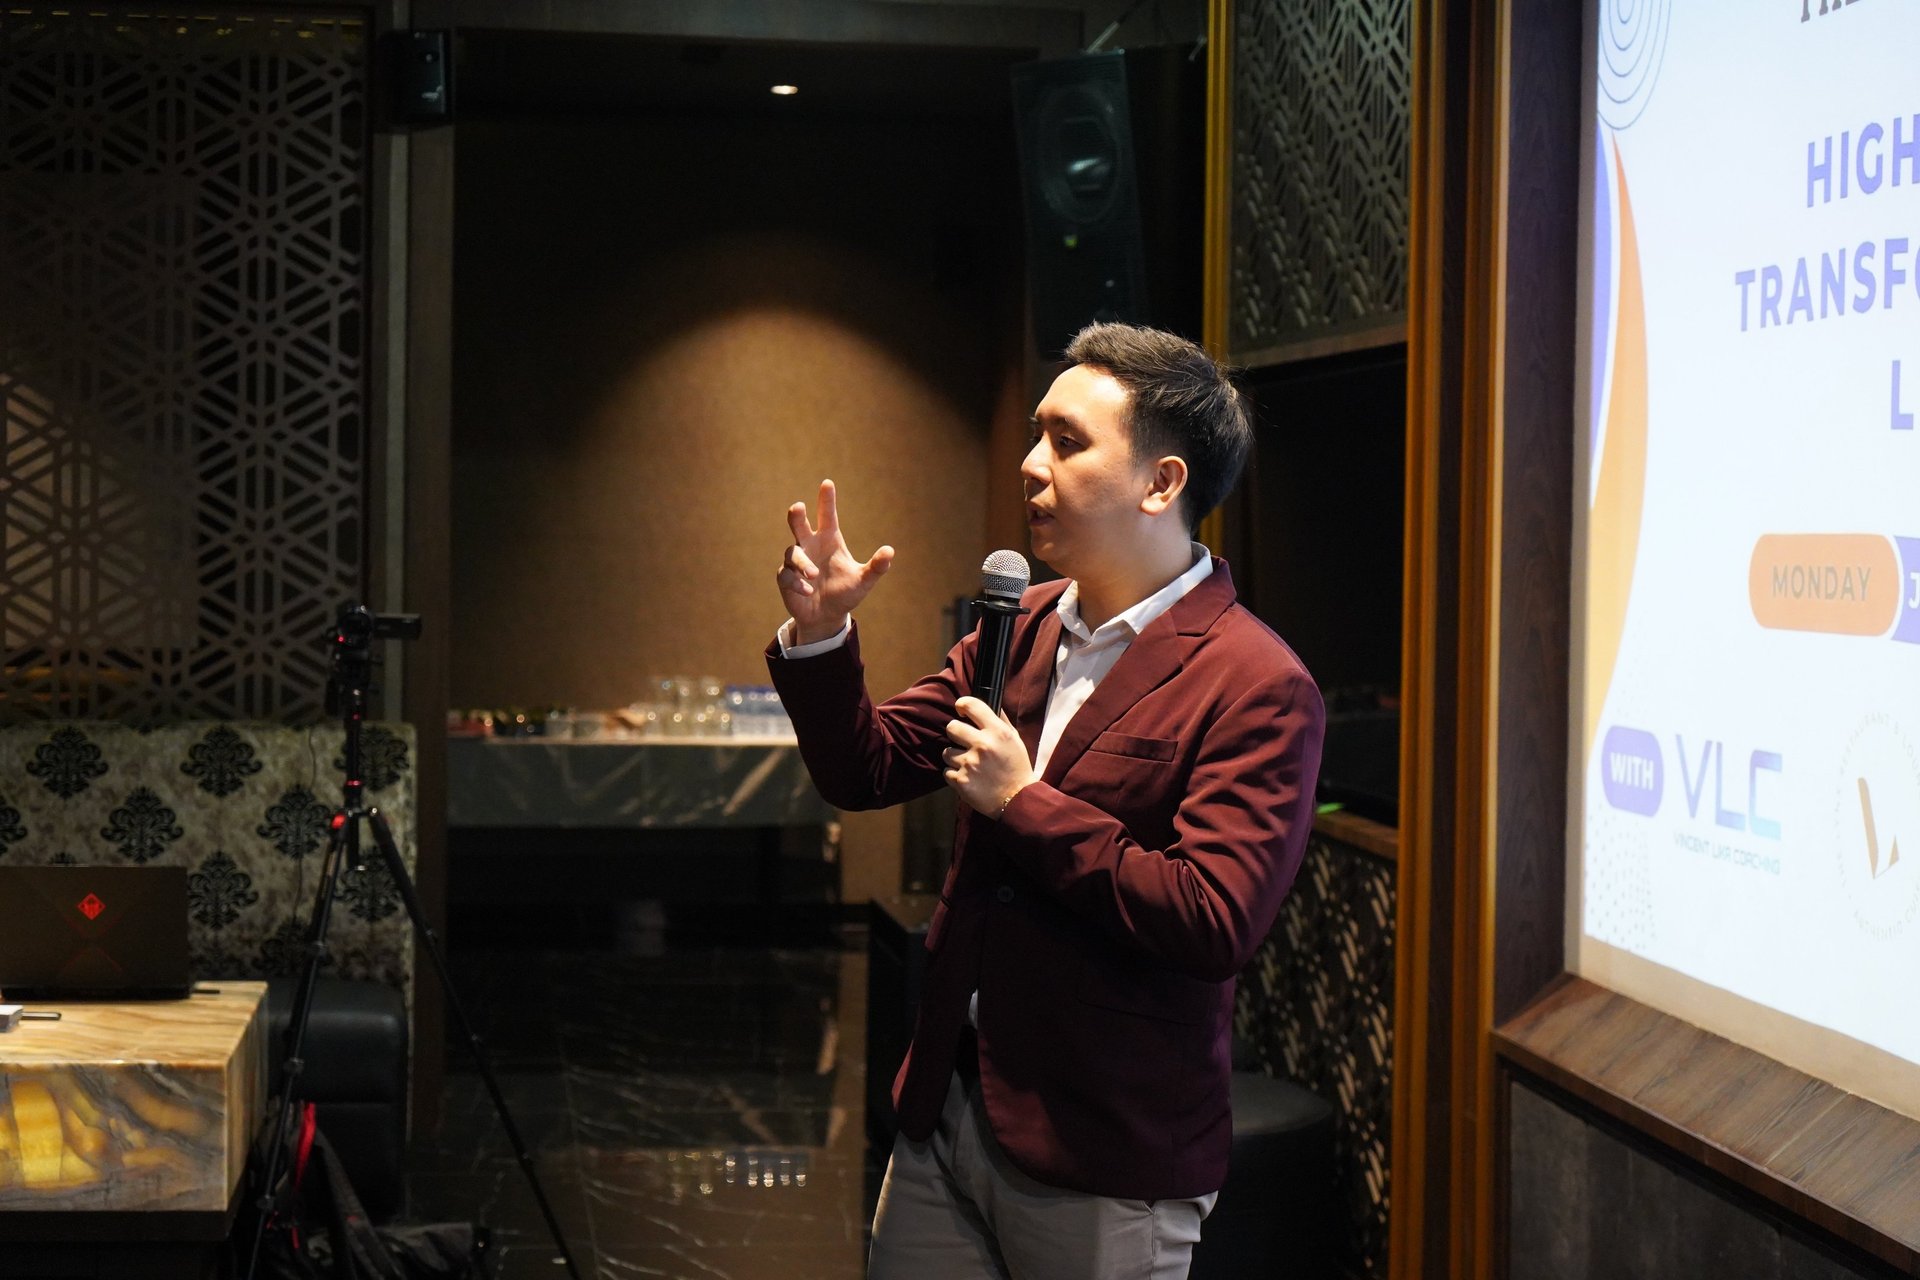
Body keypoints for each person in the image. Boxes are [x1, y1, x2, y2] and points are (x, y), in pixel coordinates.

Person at [766, 322, 1324, 1280]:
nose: (1030, 465)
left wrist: (1023, 802)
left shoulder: (1255, 681)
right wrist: (819, 638)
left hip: (1103, 1150)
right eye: (1037, 435)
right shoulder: (1016, 626)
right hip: (945, 1111)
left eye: (1066, 443)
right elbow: (865, 770)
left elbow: (1212, 918)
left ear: (1162, 484)